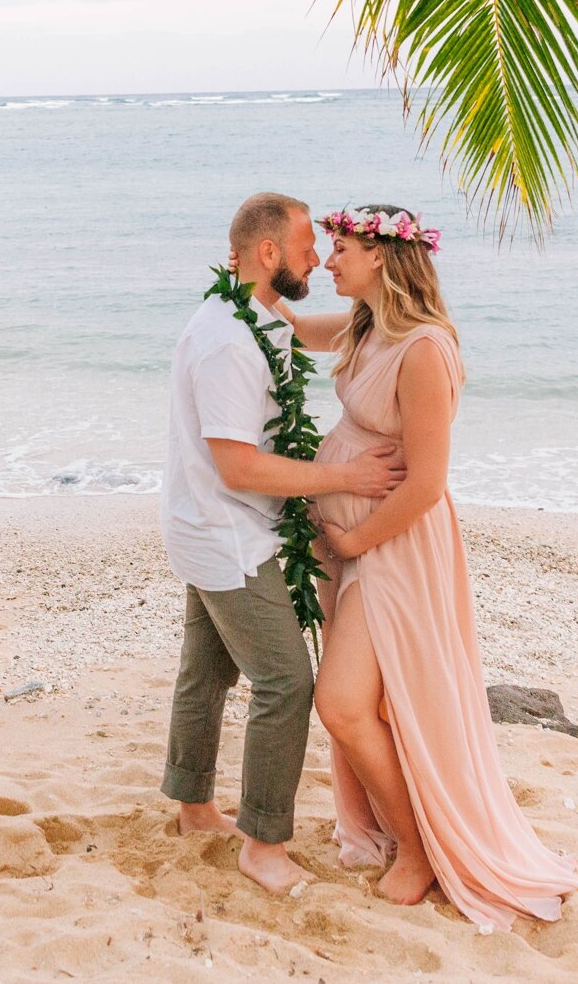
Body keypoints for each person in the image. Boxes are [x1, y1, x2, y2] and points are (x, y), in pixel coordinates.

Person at [276, 204, 578, 930]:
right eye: (326, 249)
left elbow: (425, 484)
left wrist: (356, 542)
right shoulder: (364, 328)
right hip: (349, 539)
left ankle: (422, 850)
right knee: (364, 702)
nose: (329, 262)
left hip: (391, 548)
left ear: (385, 259)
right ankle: (401, 833)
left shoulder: (424, 349)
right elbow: (290, 329)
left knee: (342, 702)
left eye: (341, 249)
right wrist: (254, 276)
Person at [159, 191, 406, 895]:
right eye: (305, 246)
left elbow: (323, 331)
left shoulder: (258, 315)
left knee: (206, 672)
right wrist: (346, 472)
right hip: (226, 533)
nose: (315, 258)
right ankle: (263, 847)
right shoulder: (226, 343)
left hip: (214, 523)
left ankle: (194, 807)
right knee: (287, 682)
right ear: (267, 253)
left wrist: (394, 311)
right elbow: (239, 465)